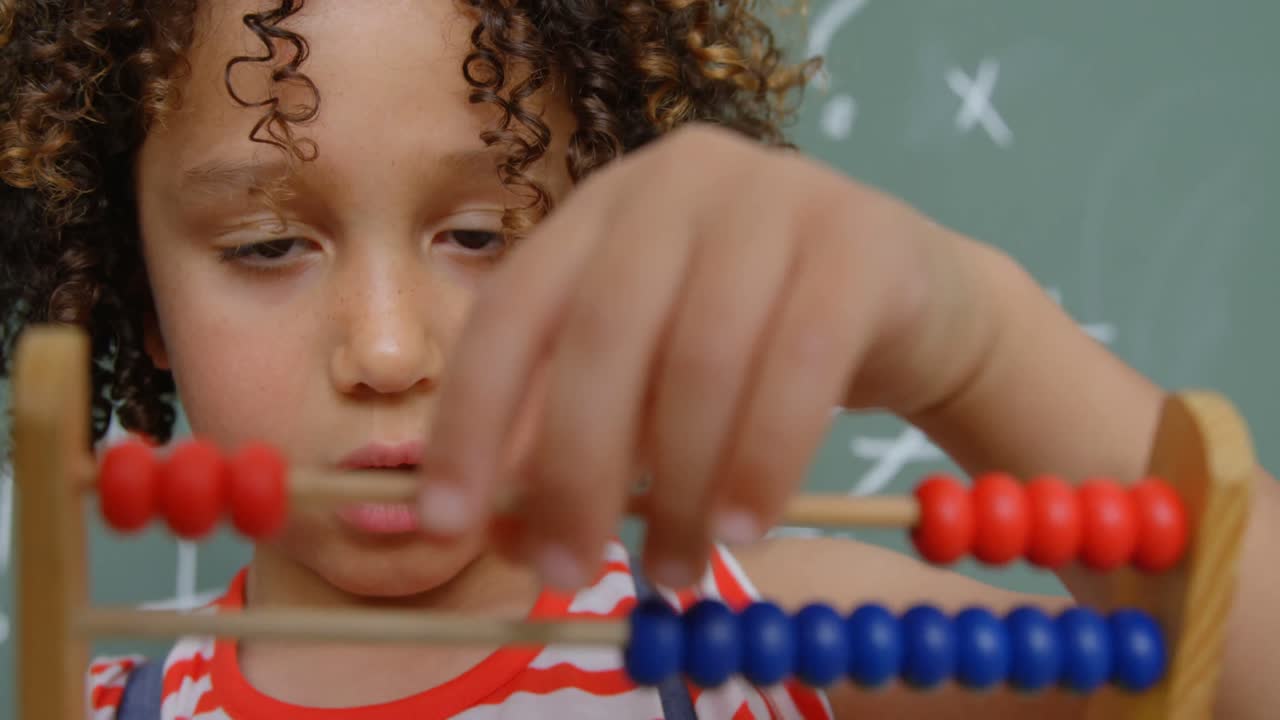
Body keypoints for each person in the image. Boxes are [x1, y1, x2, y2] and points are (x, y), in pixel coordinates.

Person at [2, 1, 1277, 718]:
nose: (386, 349)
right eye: (270, 244)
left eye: (486, 232)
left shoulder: (768, 644)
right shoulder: (104, 704)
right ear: (141, 291)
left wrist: (974, 344)